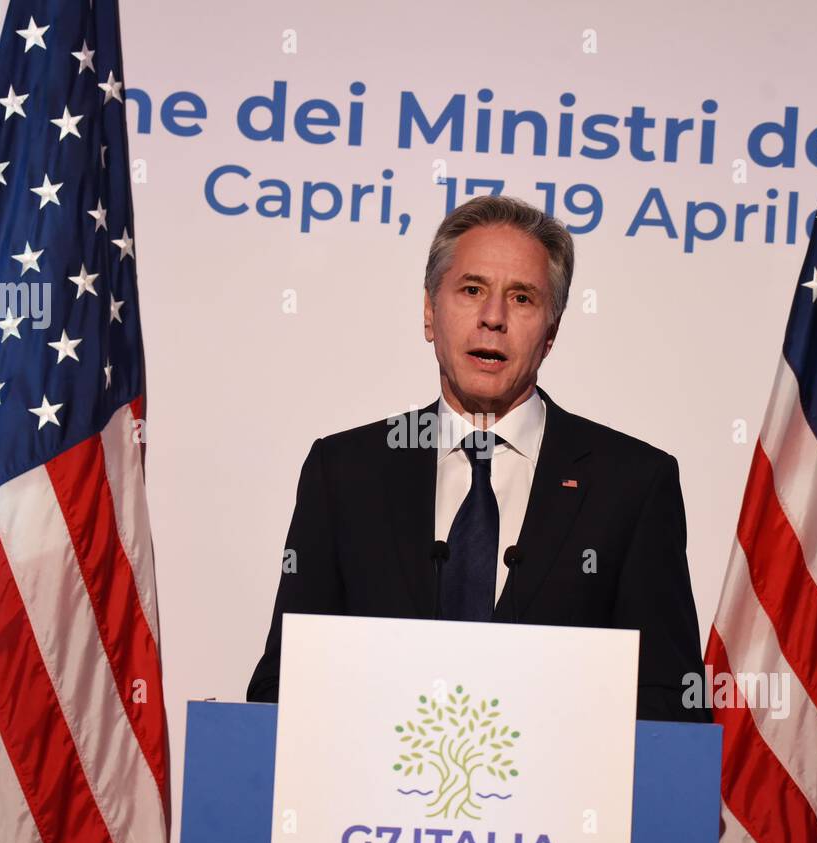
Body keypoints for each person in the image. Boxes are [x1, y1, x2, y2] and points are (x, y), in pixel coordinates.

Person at [246, 195, 708, 722]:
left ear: (551, 332)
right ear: (429, 311)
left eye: (522, 298)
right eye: (471, 290)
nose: (493, 319)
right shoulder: (346, 472)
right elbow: (284, 681)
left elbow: (672, 704)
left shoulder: (632, 484)